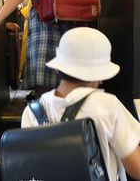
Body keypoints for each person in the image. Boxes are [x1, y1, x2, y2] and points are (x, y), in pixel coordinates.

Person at [21, 27, 140, 181]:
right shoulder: (106, 105)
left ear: (58, 69)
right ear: (101, 74)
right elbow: (136, 168)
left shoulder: (31, 111)